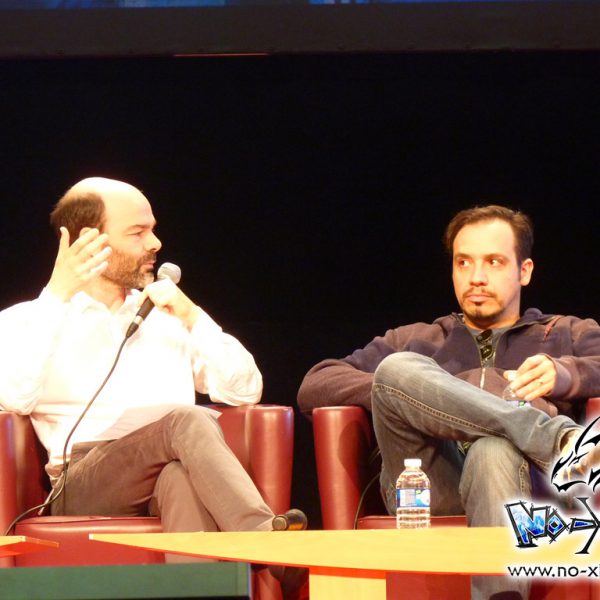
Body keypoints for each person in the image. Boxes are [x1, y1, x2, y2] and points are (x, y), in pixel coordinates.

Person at [0, 177, 305, 591]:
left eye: (153, 229)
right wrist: (57, 295)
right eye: (138, 232)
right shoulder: (28, 320)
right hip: (82, 482)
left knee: (179, 477)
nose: (155, 243)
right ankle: (269, 545)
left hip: (167, 465)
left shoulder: (166, 316)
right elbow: (14, 397)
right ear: (89, 241)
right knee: (186, 419)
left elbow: (244, 389)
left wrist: (192, 316)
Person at [297, 205, 600, 599]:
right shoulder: (417, 339)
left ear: (524, 271)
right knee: (396, 369)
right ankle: (554, 438)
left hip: (527, 485)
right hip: (428, 484)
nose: (476, 277)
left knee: (492, 450)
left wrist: (566, 373)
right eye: (463, 263)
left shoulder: (566, 333)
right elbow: (316, 383)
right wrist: (422, 390)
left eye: (493, 262)